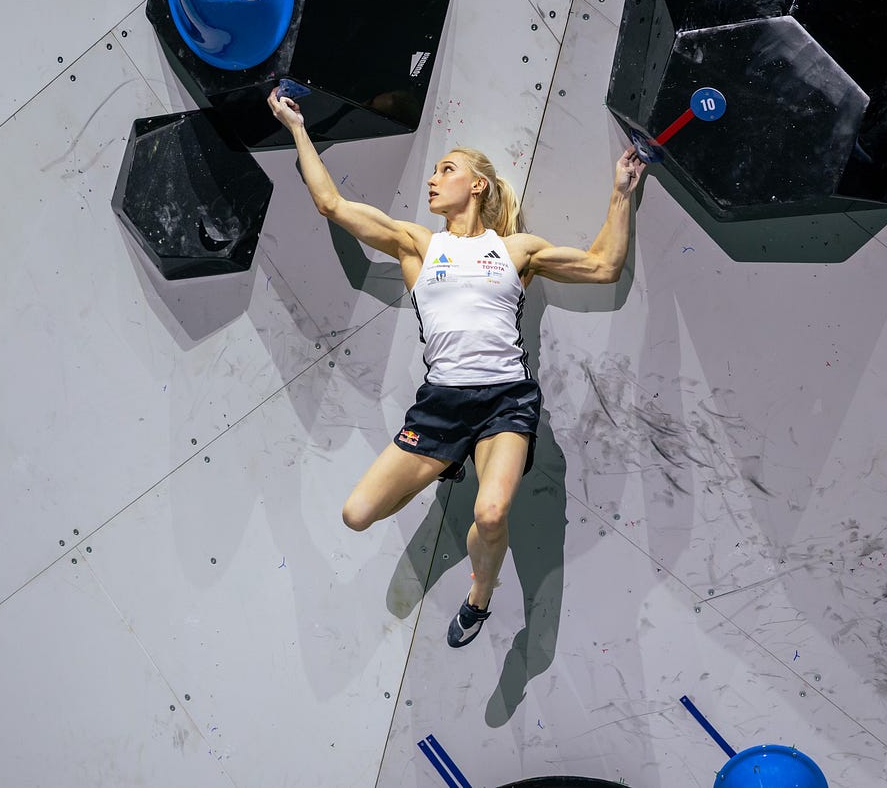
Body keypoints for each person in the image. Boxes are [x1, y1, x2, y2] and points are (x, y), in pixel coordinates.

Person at [267, 86, 645, 648]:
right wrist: (297, 128)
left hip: (505, 401)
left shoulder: (516, 249)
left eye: (446, 169)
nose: (432, 179)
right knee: (356, 513)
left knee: (491, 516)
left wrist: (620, 194)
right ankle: (445, 461)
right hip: (442, 405)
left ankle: (480, 598)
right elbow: (333, 206)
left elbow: (603, 265)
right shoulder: (418, 245)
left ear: (477, 185)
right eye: (435, 170)